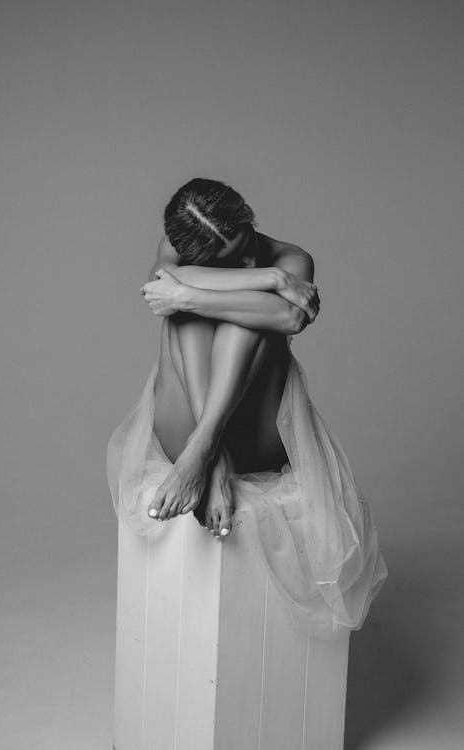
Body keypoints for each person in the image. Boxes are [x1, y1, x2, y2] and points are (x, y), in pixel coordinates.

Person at [108, 177, 387, 632]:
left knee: (237, 320)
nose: (240, 262)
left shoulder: (294, 257)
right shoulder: (266, 268)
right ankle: (209, 457)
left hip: (259, 433)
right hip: (180, 423)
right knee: (187, 322)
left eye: (241, 251)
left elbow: (292, 317)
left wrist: (193, 294)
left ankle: (208, 449)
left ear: (248, 220)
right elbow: (163, 286)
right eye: (219, 265)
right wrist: (271, 281)